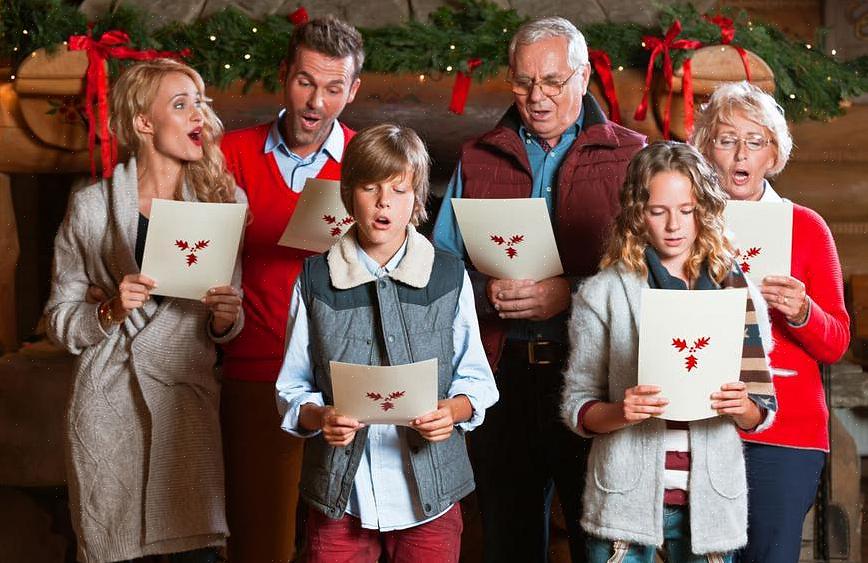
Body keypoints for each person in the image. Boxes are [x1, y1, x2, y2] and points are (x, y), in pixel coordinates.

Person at [432, 15, 645, 562]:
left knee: (599, 540)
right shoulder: (479, 157)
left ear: (583, 78)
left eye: (552, 82)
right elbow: (439, 270)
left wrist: (568, 294)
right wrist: (485, 293)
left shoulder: (632, 157)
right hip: (501, 377)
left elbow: (652, 274)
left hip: (596, 379)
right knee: (508, 539)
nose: (537, 96)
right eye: (524, 82)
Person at [45, 58, 243, 563]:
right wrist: (109, 310)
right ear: (143, 122)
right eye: (181, 105)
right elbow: (59, 317)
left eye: (200, 103)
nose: (198, 115)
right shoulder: (90, 206)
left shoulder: (224, 202)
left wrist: (225, 317)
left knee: (195, 550)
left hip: (186, 406)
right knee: (114, 549)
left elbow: (226, 319)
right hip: (108, 406)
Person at [275, 123, 498, 562]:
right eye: (369, 187)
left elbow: (478, 380)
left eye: (398, 190)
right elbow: (291, 390)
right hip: (341, 496)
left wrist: (450, 413)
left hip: (430, 494)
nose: (383, 203)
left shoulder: (449, 276)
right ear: (347, 193)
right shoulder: (315, 281)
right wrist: (321, 417)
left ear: (416, 197)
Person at [561, 141, 776, 563]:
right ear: (637, 213)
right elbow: (577, 407)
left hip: (710, 505)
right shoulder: (603, 293)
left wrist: (741, 406)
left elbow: (762, 410)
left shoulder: (737, 290)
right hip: (624, 502)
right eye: (658, 211)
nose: (674, 225)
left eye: (687, 209)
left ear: (705, 209)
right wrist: (623, 411)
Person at [218, 15, 363, 561]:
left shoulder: (367, 162)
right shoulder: (229, 154)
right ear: (284, 76)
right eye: (306, 82)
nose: (316, 102)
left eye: (332, 88)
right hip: (256, 369)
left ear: (352, 91)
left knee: (344, 542)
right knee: (261, 541)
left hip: (347, 379)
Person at [691, 81, 851, 563]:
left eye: (755, 141)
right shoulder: (683, 223)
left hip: (789, 434)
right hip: (702, 423)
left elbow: (837, 342)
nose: (740, 153)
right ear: (705, 148)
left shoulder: (806, 225)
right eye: (726, 139)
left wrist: (802, 312)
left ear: (773, 154)